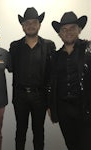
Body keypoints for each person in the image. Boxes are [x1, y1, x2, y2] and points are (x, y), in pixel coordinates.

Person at [9, 7, 56, 150]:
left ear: (39, 24)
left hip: (40, 96)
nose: (30, 25)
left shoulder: (49, 45)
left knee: (39, 133)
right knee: (20, 132)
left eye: (34, 22)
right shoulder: (15, 46)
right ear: (22, 26)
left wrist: (50, 102)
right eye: (27, 23)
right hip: (20, 96)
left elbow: (53, 73)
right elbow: (7, 63)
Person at [49, 11, 91, 150]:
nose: (68, 32)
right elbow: (51, 82)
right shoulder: (55, 56)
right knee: (71, 145)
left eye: (72, 28)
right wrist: (51, 106)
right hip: (63, 110)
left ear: (79, 29)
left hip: (85, 108)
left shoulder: (89, 49)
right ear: (59, 33)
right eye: (64, 29)